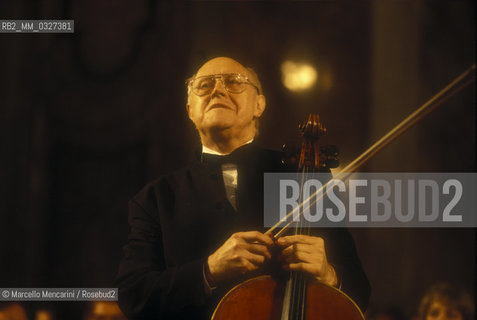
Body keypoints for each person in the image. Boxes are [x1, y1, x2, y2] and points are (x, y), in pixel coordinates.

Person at [115, 57, 370, 319]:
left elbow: (359, 291)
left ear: (259, 105)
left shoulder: (305, 177)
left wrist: (329, 274)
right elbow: (133, 295)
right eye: (204, 85)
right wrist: (209, 270)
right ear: (190, 110)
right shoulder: (154, 199)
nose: (218, 90)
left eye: (234, 82)